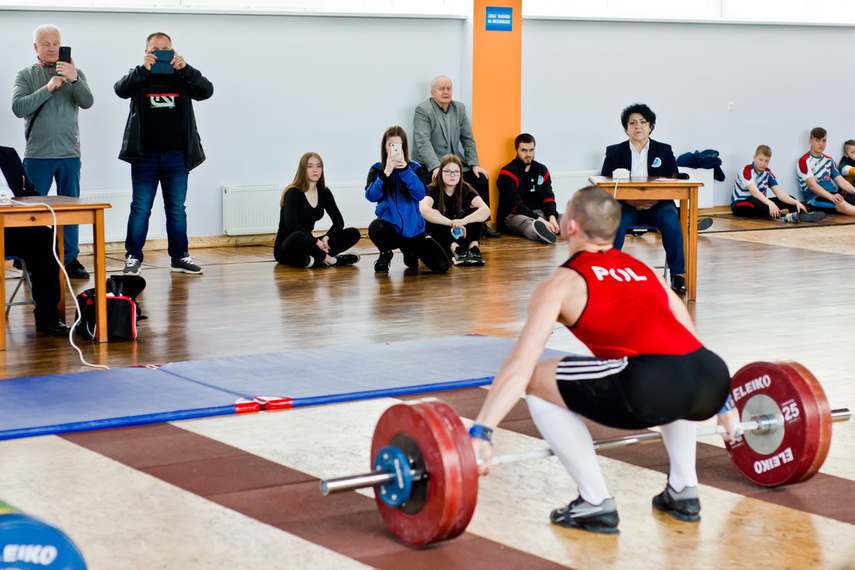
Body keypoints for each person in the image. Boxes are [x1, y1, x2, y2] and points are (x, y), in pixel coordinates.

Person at [468, 186, 739, 535]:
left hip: (649, 383)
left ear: (571, 226)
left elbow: (520, 364)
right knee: (673, 367)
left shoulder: (559, 285)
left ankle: (594, 502)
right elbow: (690, 340)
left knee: (535, 377)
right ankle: (683, 490)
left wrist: (482, 431)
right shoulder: (646, 271)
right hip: (712, 376)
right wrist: (725, 402)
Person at [115, 32, 213, 276]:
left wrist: (186, 68)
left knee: (176, 209)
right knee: (140, 208)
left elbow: (206, 91)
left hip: (177, 157)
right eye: (154, 49)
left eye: (165, 48)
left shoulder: (182, 76)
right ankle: (133, 257)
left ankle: (179, 257)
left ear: (173, 50)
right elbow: (120, 89)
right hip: (145, 157)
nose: (160, 53)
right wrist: (142, 70)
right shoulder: (139, 75)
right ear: (146, 51)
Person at [12, 24, 94, 280]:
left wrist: (74, 79)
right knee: (32, 212)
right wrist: (47, 88)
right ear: (36, 47)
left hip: (70, 154)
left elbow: (88, 102)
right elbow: (18, 107)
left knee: (70, 211)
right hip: (38, 155)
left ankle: (70, 260)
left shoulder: (75, 73)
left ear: (62, 45)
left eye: (55, 43)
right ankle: (29, 259)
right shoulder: (26, 75)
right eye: (46, 44)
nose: (52, 48)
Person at [601, 103, 687, 294]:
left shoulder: (664, 150)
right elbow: (605, 185)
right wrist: (630, 201)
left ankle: (678, 275)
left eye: (643, 122)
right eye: (632, 123)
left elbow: (674, 183)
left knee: (671, 219)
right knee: (615, 221)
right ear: (626, 129)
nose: (638, 126)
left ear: (650, 126)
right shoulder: (615, 152)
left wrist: (654, 199)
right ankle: (609, 273)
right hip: (626, 206)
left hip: (659, 205)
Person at [412, 75, 499, 238]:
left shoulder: (459, 108)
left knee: (480, 177)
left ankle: (480, 224)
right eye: (441, 89)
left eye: (449, 88)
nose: (446, 92)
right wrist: (436, 166)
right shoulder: (423, 110)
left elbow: (467, 138)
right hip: (429, 163)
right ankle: (434, 225)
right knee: (428, 184)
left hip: (453, 163)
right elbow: (422, 142)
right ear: (432, 92)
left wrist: (474, 164)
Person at [365, 126, 449, 274]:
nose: (395, 149)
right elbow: (371, 196)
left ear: (404, 147)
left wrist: (405, 171)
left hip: (414, 231)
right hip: (392, 231)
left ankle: (409, 250)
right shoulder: (377, 169)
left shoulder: (414, 168)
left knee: (442, 265)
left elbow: (420, 194)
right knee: (375, 227)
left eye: (399, 145)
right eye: (391, 145)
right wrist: (385, 174)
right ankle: (385, 253)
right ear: (385, 147)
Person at [1, 169, 70, 336]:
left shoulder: (7, 157)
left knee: (45, 239)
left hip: (11, 227)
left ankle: (48, 317)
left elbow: (29, 192)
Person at [274, 152, 360, 268]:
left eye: (318, 166)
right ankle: (332, 260)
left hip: (310, 242)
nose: (315, 170)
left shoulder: (324, 192)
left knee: (353, 233)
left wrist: (326, 238)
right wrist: (316, 242)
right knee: (299, 235)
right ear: (303, 169)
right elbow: (291, 226)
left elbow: (339, 222)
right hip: (288, 247)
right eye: (310, 166)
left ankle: (313, 259)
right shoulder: (292, 192)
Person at [421, 154, 491, 266]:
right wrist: (451, 223)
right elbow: (424, 210)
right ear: (440, 172)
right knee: (434, 215)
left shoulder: (465, 188)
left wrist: (463, 221)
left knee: (476, 212)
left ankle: (473, 248)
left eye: (456, 172)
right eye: (448, 171)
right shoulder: (433, 189)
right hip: (442, 239)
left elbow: (486, 210)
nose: (452, 175)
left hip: (461, 234)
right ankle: (456, 249)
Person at [731, 145, 825, 223]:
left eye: (766, 161)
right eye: (760, 159)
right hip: (740, 205)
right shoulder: (746, 171)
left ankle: (803, 215)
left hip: (760, 204)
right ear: (754, 158)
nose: (763, 163)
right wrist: (770, 203)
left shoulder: (767, 173)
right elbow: (754, 192)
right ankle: (784, 217)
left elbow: (779, 194)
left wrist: (796, 202)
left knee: (790, 198)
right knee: (754, 200)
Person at [497, 133, 560, 244]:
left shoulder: (542, 170)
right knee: (528, 223)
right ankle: (541, 233)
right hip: (515, 215)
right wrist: (540, 220)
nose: (528, 154)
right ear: (516, 151)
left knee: (566, 218)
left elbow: (549, 197)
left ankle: (560, 230)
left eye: (531, 150)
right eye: (524, 150)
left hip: (540, 213)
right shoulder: (507, 173)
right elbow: (516, 205)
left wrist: (552, 218)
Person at [796, 127, 855, 216]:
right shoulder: (804, 160)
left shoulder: (828, 160)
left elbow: (841, 181)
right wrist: (831, 197)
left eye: (824, 141)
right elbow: (812, 186)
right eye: (817, 140)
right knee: (842, 204)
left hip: (833, 194)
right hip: (815, 199)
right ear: (810, 142)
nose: (821, 144)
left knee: (843, 201)